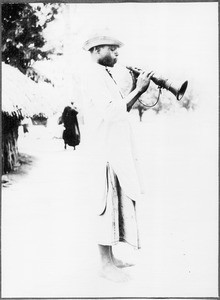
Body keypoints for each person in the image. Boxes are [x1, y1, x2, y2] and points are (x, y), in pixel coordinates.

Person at [81, 31, 153, 282]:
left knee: (114, 204)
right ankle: (104, 264)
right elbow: (112, 113)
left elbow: (122, 109)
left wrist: (137, 90)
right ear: (98, 50)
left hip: (113, 150)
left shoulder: (104, 76)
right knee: (105, 205)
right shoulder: (92, 76)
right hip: (103, 152)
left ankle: (111, 259)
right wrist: (139, 89)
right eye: (113, 49)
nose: (117, 53)